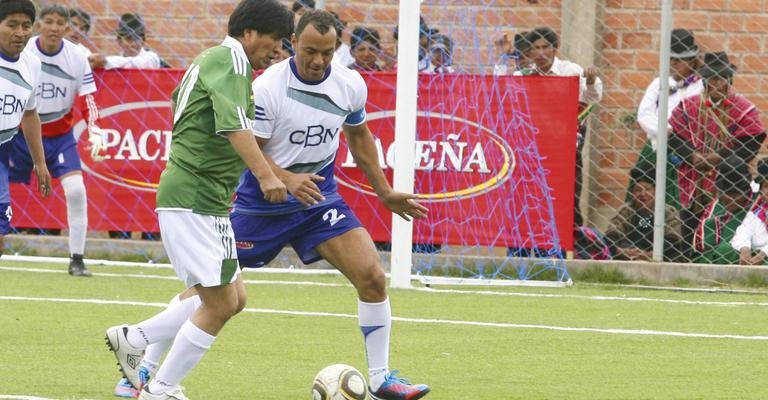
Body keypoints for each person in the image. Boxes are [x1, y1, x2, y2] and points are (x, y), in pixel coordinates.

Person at [110, 9, 431, 400]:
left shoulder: (350, 84)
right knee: (212, 294)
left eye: (327, 53)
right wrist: (278, 178)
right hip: (261, 203)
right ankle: (143, 364)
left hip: (317, 198)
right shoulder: (262, 86)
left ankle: (381, 378)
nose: (318, 61)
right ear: (292, 43)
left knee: (372, 277)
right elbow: (246, 145)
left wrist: (383, 190)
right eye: (309, 50)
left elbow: (359, 135)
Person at [104, 1, 291, 399]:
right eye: (273, 42)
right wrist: (266, 174)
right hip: (194, 196)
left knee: (233, 297)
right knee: (220, 302)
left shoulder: (211, 59)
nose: (275, 51)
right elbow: (234, 126)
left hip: (206, 197)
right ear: (250, 34)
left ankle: (138, 348)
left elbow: (184, 106)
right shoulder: (233, 62)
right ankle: (159, 383)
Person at [8, 4, 102, 276]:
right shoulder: (22, 52)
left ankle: (77, 259)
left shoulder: (77, 57)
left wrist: (95, 131)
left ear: (67, 28)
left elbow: (89, 100)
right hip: (19, 135)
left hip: (60, 137)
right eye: (48, 21)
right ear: (39, 26)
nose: (54, 27)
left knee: (76, 191)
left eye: (60, 23)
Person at [668, 51, 766, 251]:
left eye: (722, 79)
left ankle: (720, 253)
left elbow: (752, 142)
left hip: (728, 178)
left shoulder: (743, 108)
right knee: (690, 223)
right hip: (694, 176)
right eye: (713, 79)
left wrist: (719, 157)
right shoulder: (688, 105)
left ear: (729, 80)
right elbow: (674, 137)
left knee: (723, 224)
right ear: (704, 81)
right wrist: (692, 155)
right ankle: (691, 255)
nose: (718, 84)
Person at [510, 27, 602, 226]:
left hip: (564, 150)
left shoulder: (571, 71)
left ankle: (567, 246)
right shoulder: (522, 76)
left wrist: (592, 81)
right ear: (530, 51)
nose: (541, 53)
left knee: (567, 202)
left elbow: (593, 98)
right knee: (527, 203)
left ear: (555, 49)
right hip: (531, 149)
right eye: (536, 48)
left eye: (546, 47)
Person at [630, 29, 704, 209]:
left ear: (692, 61)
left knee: (677, 200)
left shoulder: (701, 86)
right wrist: (668, 131)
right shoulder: (659, 83)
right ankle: (643, 231)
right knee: (644, 199)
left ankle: (675, 234)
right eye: (671, 59)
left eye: (680, 60)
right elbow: (644, 114)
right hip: (657, 147)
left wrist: (683, 137)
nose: (674, 64)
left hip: (687, 149)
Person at [0, 0, 52, 256]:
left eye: (26, 25)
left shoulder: (32, 64)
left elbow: (30, 114)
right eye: (11, 25)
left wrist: (40, 163)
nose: (20, 32)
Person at [605, 162, 683, 262]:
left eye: (647, 189)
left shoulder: (668, 212)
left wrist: (650, 255)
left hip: (660, 257)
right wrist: (622, 251)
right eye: (638, 190)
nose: (642, 194)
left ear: (656, 191)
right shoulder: (627, 211)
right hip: (630, 254)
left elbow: (673, 241)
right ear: (632, 193)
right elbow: (611, 235)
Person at [693, 156, 755, 264]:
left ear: (747, 191)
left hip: (754, 255)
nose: (731, 199)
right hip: (717, 262)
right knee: (723, 251)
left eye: (735, 194)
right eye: (726, 193)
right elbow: (702, 251)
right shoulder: (715, 208)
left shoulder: (758, 204)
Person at [89, 13, 165, 69]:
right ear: (119, 41)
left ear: (142, 41)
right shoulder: (118, 61)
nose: (133, 44)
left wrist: (106, 62)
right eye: (128, 39)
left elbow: (135, 63)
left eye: (137, 38)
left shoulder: (152, 58)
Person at [731, 158, 768, 265]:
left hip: (764, 254)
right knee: (725, 250)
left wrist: (763, 254)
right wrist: (745, 248)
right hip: (756, 251)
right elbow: (743, 231)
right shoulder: (757, 211)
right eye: (766, 186)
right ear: (760, 191)